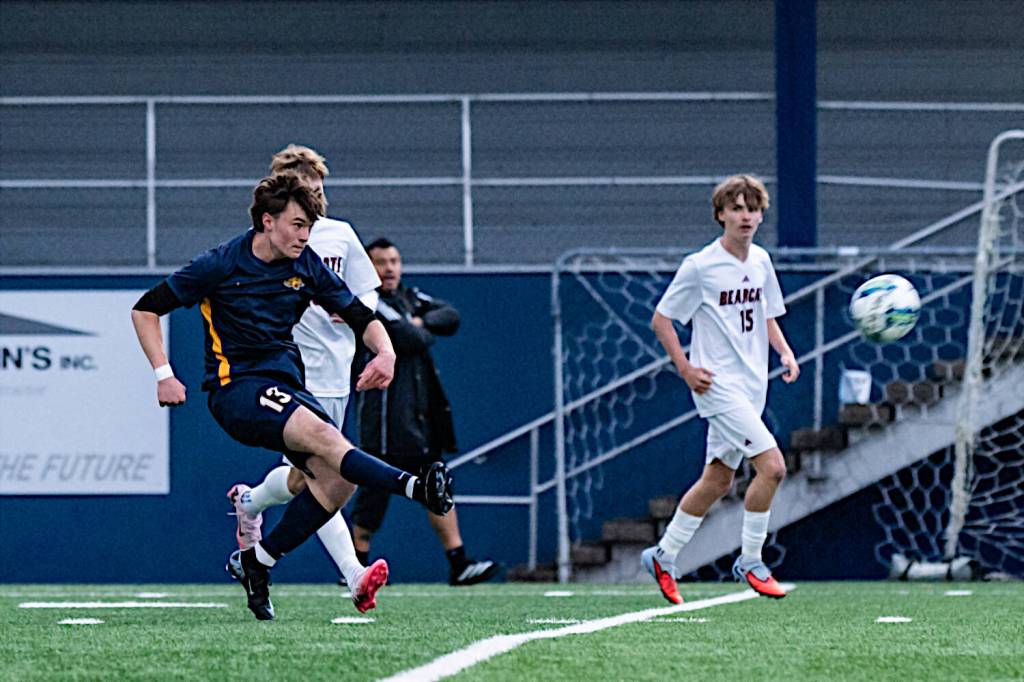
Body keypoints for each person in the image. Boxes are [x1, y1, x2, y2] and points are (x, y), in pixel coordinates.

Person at [131, 174, 453, 621]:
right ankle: (415, 487)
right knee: (326, 438)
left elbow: (361, 315)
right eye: (298, 224)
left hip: (287, 385)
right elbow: (145, 309)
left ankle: (257, 561)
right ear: (268, 222)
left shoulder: (306, 264)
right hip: (236, 389)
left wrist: (386, 351)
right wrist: (164, 374)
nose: (306, 235)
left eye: (310, 225)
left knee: (337, 481)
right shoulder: (220, 263)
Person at [224, 145, 387, 613]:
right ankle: (354, 574)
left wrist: (357, 317)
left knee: (303, 477)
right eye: (304, 193)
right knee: (328, 471)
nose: (313, 202)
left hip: (337, 371)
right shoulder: (266, 243)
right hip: (288, 375)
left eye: (318, 191)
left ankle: (251, 502)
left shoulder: (339, 236)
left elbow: (367, 290)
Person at [641, 174, 799, 603]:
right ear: (720, 215)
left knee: (717, 480)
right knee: (773, 467)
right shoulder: (700, 266)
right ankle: (751, 560)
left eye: (753, 208)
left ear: (762, 214)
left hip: (752, 384)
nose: (745, 215)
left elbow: (768, 315)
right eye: (736, 208)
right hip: (716, 385)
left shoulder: (761, 262)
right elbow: (662, 319)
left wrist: (784, 352)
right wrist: (686, 369)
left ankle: (664, 554)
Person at [351, 238, 499, 586]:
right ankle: (355, 566)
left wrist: (419, 322)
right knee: (372, 492)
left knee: (436, 483)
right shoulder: (369, 303)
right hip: (385, 419)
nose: (389, 268)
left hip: (419, 418)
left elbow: (450, 315)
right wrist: (417, 327)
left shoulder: (411, 297)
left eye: (394, 260)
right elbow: (407, 337)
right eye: (380, 262)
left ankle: (458, 562)